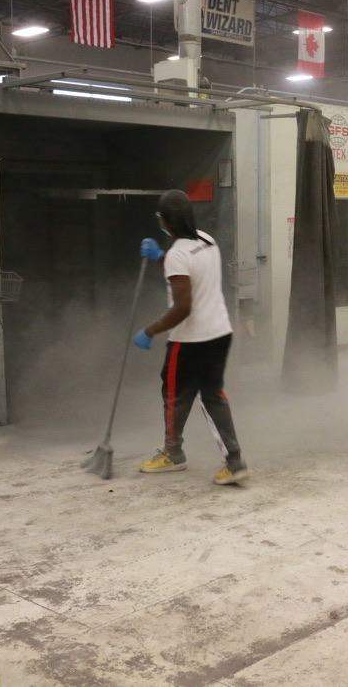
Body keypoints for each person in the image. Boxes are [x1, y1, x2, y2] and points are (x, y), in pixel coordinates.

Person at [132, 190, 249, 485]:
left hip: (190, 340)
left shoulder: (179, 254)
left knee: (174, 396)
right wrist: (161, 257)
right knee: (212, 396)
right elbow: (187, 271)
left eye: (160, 216)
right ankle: (235, 461)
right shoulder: (206, 240)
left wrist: (151, 330)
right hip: (219, 332)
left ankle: (173, 454)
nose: (158, 219)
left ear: (167, 222)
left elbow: (183, 307)